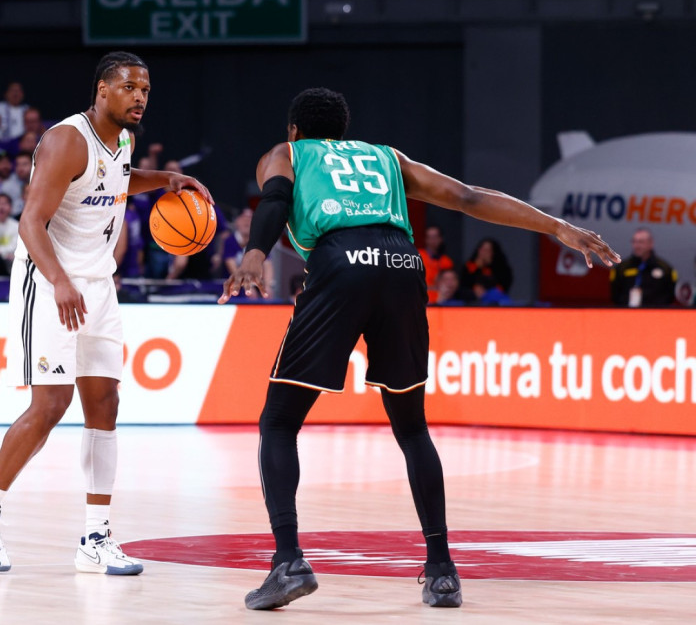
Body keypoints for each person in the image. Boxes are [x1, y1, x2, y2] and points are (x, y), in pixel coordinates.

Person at [219, 87, 619, 611]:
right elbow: (469, 196)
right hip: (403, 265)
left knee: (278, 422)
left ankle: (288, 562)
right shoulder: (387, 158)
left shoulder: (287, 153)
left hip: (340, 263)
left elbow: (274, 200)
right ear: (343, 130)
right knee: (411, 428)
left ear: (295, 130)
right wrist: (557, 227)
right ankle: (442, 571)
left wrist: (254, 252)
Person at [0, 51, 213, 576]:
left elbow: (117, 179)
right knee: (50, 406)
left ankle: (96, 537)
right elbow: (30, 222)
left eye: (145, 90)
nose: (139, 97)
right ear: (102, 89)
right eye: (129, 87)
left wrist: (167, 179)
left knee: (105, 404)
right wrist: (59, 281)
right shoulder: (66, 140)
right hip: (48, 281)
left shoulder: (123, 141)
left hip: (96, 285)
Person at [609, 227, 678, 307]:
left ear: (651, 243)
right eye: (634, 242)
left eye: (641, 242)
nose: (637, 246)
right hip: (627, 312)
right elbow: (615, 295)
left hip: (655, 312)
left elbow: (669, 296)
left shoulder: (665, 268)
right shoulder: (621, 268)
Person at [419, 225, 454, 303]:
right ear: (425, 240)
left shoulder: (447, 261)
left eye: (435, 237)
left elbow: (450, 284)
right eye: (429, 237)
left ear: (441, 239)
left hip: (442, 298)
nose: (432, 240)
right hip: (420, 296)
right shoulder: (417, 255)